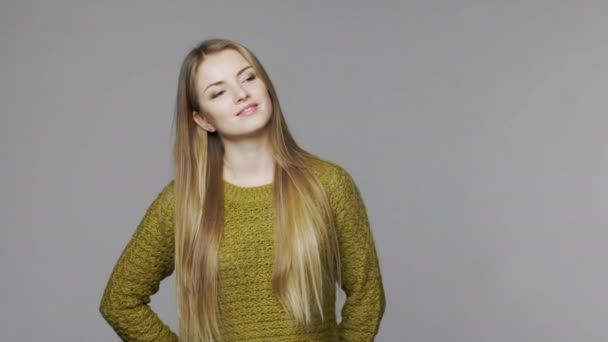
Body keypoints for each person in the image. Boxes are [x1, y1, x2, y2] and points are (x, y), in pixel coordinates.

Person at [99, 38, 385, 342]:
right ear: (203, 119)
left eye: (248, 77)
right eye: (219, 92)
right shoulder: (183, 202)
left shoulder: (329, 184)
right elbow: (120, 301)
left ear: (266, 86)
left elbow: (367, 295)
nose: (241, 94)